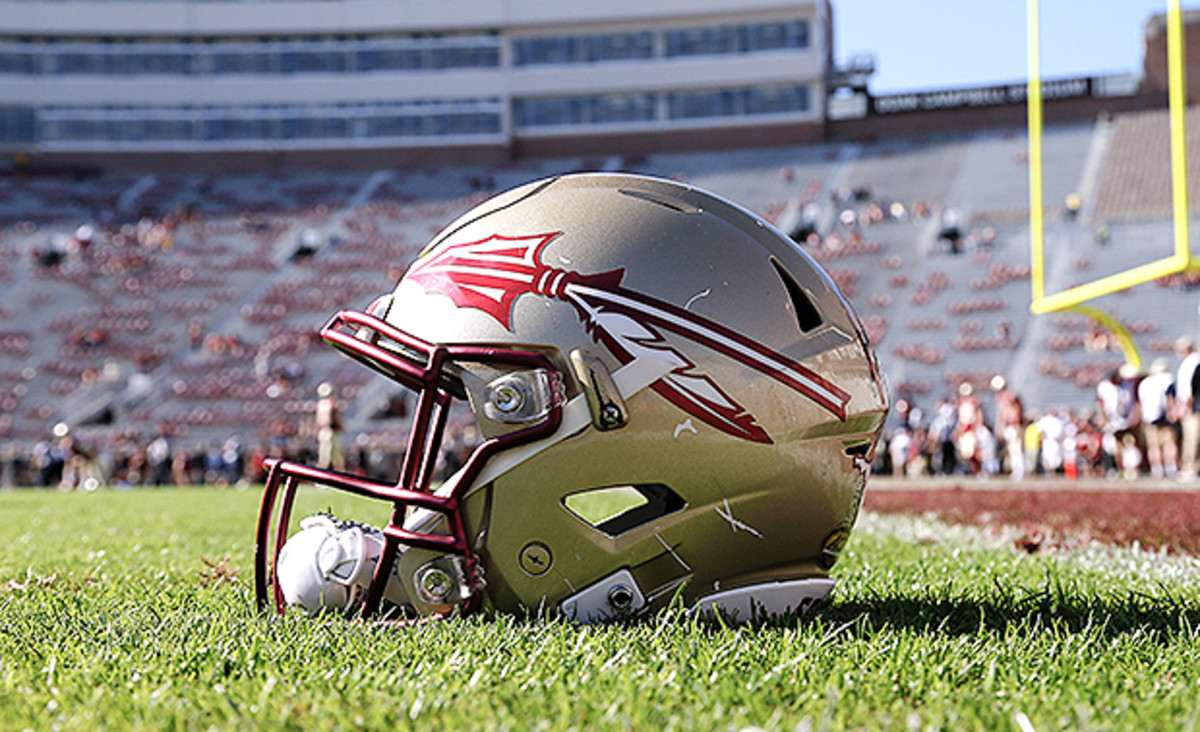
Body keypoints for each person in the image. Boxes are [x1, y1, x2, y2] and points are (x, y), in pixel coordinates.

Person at [1137, 358, 1177, 478]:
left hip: (1149, 417)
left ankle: (1157, 469)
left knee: (1153, 446)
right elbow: (1171, 398)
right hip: (1165, 416)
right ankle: (1171, 467)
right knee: (1169, 444)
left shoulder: (1145, 383)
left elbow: (1141, 403)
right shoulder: (1168, 379)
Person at [1175, 337, 1200, 480]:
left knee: (1193, 438)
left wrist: (1185, 404)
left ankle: (1191, 467)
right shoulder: (1188, 362)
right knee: (1191, 438)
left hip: (1191, 406)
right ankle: (1189, 466)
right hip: (1188, 405)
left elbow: (1191, 386)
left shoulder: (1193, 362)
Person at [315, 382, 345, 471]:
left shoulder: (320, 404)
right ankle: (338, 475)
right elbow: (334, 418)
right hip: (330, 431)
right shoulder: (331, 404)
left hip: (323, 430)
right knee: (332, 455)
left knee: (325, 454)